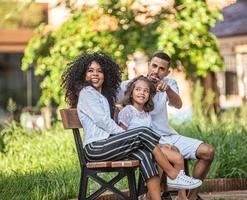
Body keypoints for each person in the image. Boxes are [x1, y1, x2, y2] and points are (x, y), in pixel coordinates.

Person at [61, 52, 202, 200]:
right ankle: (173, 175)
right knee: (142, 131)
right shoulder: (87, 93)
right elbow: (103, 121)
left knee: (145, 154)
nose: (95, 74)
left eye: (99, 71)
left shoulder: (102, 95)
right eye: (90, 71)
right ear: (83, 74)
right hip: (96, 148)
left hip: (109, 145)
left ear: (105, 74)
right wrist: (125, 134)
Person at [118, 52, 215, 200]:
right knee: (167, 153)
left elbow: (178, 105)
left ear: (167, 72)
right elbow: (107, 95)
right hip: (147, 141)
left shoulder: (169, 84)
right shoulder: (133, 84)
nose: (156, 71)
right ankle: (153, 195)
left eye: (161, 69)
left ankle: (190, 197)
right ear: (149, 64)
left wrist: (168, 90)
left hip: (168, 136)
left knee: (208, 151)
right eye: (154, 66)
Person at [118, 75, 192, 200]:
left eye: (146, 91)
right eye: (138, 90)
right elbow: (121, 135)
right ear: (131, 93)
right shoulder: (127, 111)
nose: (142, 93)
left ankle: (181, 195)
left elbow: (150, 136)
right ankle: (151, 195)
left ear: (149, 96)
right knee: (166, 157)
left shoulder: (146, 115)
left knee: (177, 155)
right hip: (135, 149)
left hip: (150, 148)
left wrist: (163, 144)